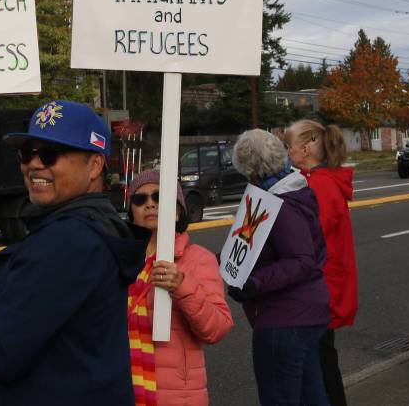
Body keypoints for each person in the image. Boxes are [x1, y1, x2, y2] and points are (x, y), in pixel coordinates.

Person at [0, 100, 147, 405]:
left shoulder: (69, 240)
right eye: (27, 153)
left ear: (94, 165)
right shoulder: (88, 229)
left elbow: (0, 352)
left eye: (50, 154)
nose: (35, 164)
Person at [229, 129, 330, 406]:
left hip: (283, 318)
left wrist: (253, 283)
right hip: (306, 313)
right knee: (311, 395)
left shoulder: (277, 203)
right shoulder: (293, 191)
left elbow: (300, 261)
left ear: (250, 168)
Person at [126, 170, 233, 405]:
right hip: (124, 388)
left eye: (158, 197)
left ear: (176, 211)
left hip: (178, 395)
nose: (150, 204)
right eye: (140, 199)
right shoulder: (120, 260)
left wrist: (183, 286)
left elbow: (218, 327)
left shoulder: (199, 259)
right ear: (131, 211)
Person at [285, 120, 358, 406]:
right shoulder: (322, 181)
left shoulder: (318, 185)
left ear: (305, 148)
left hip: (318, 290)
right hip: (324, 287)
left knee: (321, 369)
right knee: (321, 364)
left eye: (289, 145)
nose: (287, 151)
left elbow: (310, 240)